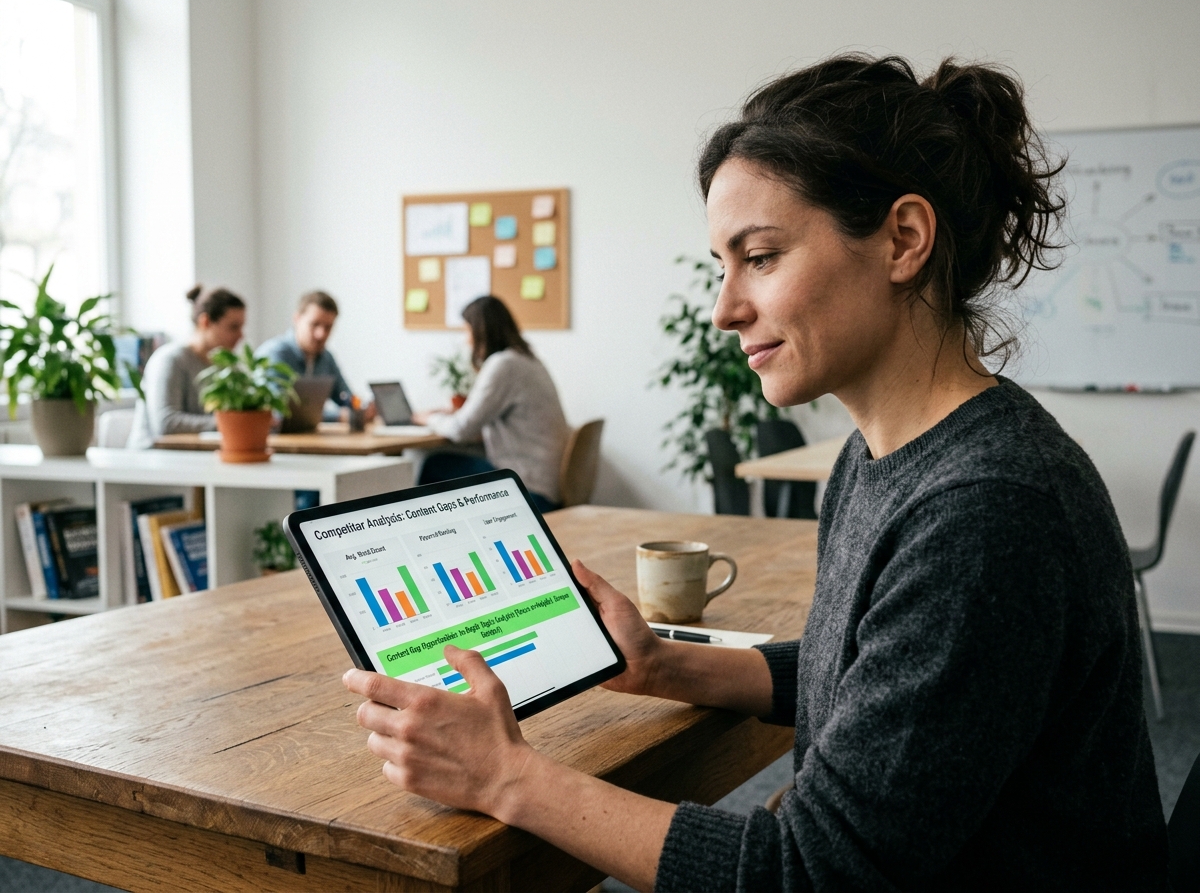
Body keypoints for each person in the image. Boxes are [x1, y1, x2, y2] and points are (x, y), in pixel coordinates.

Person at [344, 55, 1169, 891]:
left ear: (903, 240)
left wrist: (505, 777)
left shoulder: (988, 512)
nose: (724, 309)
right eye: (721, 266)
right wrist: (665, 664)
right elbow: (859, 672)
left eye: (762, 257)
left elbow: (811, 875)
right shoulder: (884, 453)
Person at [413, 295, 570, 514]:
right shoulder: (527, 359)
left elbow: (461, 429)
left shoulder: (503, 364)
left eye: (467, 331)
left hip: (529, 490)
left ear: (480, 332)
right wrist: (455, 411)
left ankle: (430, 542)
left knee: (434, 465)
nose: (466, 340)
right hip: (546, 484)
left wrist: (428, 418)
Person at [126, 285, 246, 450]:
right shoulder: (170, 360)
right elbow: (167, 424)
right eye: (233, 327)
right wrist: (232, 423)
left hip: (197, 460)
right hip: (154, 461)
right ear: (205, 322)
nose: (241, 335)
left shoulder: (228, 367)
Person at [256, 290, 369, 421]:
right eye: (315, 324)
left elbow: (345, 397)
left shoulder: (326, 357)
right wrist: (339, 416)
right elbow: (281, 412)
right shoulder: (275, 354)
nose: (321, 334)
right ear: (297, 319)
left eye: (328, 327)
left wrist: (361, 407)